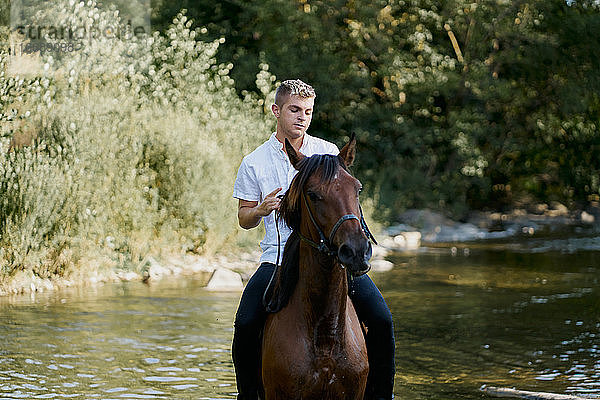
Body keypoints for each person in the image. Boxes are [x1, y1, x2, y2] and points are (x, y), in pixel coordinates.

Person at [232, 79, 395, 400]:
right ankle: (249, 395)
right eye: (294, 110)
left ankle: (381, 396)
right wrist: (262, 209)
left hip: (333, 261)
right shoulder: (254, 162)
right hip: (276, 260)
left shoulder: (328, 152)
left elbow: (344, 202)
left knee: (381, 318)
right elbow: (243, 218)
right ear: (276, 111)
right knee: (246, 324)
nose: (302, 117)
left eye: (307, 111)